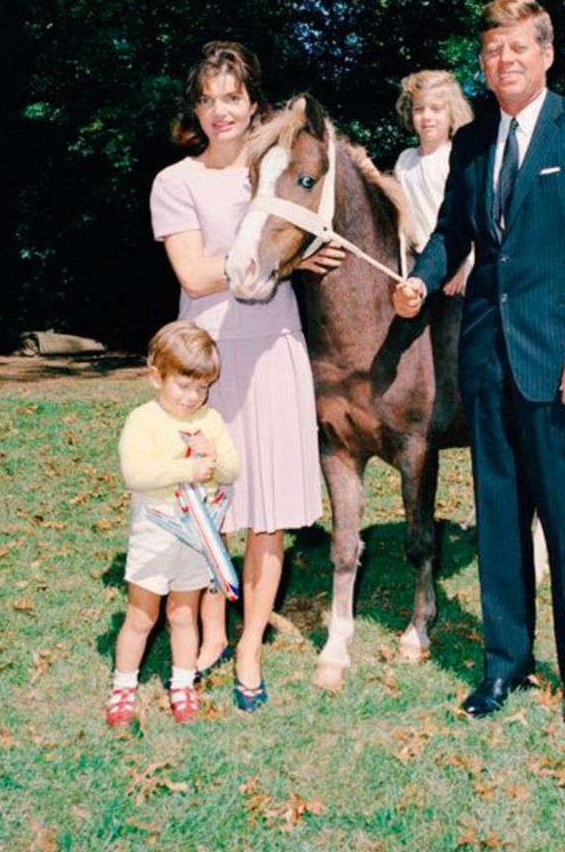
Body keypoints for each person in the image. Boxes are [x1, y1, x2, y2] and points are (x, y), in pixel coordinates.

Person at [392, 0, 565, 733]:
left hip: (562, 363)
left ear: (546, 54)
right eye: (492, 50)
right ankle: (504, 664)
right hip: (486, 362)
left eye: (518, 49)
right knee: (497, 521)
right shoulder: (471, 144)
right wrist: (421, 280)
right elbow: (448, 236)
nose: (504, 61)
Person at [150, 41, 343, 713]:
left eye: (231, 97)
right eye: (206, 99)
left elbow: (319, 215)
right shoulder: (175, 182)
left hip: (276, 353)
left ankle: (251, 644)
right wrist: (282, 260)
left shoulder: (273, 172)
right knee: (208, 505)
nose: (219, 111)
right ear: (194, 110)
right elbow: (196, 275)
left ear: (252, 103)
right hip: (208, 361)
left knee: (268, 515)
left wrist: (309, 246)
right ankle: (207, 630)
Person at [107, 321, 239, 727]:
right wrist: (188, 467)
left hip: (196, 540)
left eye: (202, 387)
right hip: (154, 536)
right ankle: (123, 686)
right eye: (184, 385)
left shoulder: (210, 420)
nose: (193, 396)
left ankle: (183, 683)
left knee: (184, 615)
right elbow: (136, 473)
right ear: (156, 376)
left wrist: (213, 454)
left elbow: (231, 472)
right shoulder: (143, 420)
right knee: (141, 616)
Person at [393, 70, 474, 295]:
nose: (427, 117)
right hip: (415, 266)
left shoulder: (458, 158)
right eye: (419, 109)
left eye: (436, 109)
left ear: (452, 114)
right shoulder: (405, 160)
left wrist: (464, 266)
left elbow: (473, 217)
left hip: (454, 265)